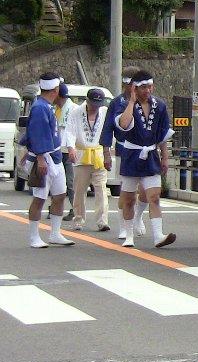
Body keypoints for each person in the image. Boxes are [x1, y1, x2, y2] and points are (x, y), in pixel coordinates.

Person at [114, 70, 176, 248]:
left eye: (150, 86)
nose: (147, 90)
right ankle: (128, 234)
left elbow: (163, 134)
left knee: (154, 196)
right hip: (131, 155)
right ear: (134, 88)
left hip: (150, 155)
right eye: (143, 87)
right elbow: (124, 124)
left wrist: (165, 156)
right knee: (128, 199)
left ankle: (158, 235)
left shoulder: (160, 106)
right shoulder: (124, 104)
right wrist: (132, 102)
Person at [24, 72, 74, 248]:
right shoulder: (40, 107)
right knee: (40, 198)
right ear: (55, 88)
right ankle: (33, 236)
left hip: (55, 156)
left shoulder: (46, 106)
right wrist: (39, 158)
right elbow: (36, 134)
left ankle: (55, 233)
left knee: (59, 195)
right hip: (45, 157)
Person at [101, 65, 149, 240]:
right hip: (125, 149)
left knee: (146, 190)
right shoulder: (117, 103)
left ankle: (138, 216)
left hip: (146, 150)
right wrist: (106, 153)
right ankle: (124, 224)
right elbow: (108, 129)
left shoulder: (149, 101)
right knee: (127, 191)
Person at [64, 88, 109, 231]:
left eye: (98, 104)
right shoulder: (76, 112)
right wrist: (70, 148)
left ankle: (102, 220)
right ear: (87, 101)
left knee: (101, 188)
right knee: (79, 190)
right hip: (81, 154)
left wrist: (108, 152)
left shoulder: (104, 112)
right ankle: (78, 219)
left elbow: (109, 132)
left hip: (98, 154)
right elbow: (69, 131)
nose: (96, 107)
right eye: (93, 104)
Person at [53, 83, 76, 221]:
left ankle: (75, 209)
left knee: (70, 182)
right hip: (56, 149)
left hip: (69, 150)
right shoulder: (55, 109)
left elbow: (72, 132)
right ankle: (54, 208)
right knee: (55, 180)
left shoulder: (73, 109)